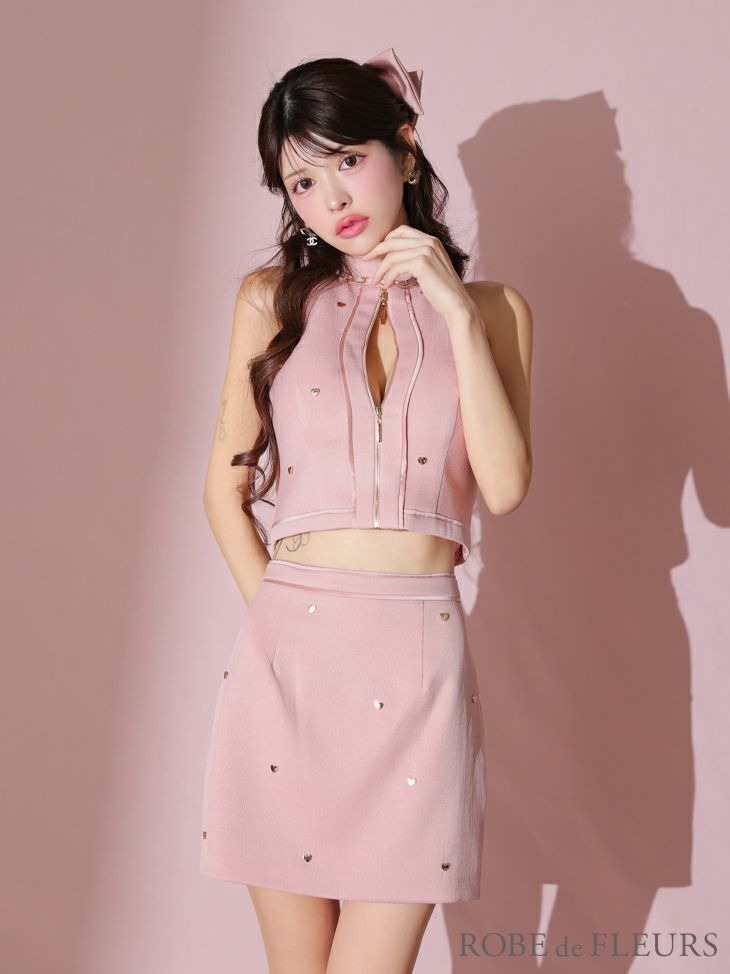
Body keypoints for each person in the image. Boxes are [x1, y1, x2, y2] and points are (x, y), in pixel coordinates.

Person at [199, 47, 533, 974]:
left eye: (348, 159)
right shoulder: (270, 301)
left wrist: (455, 312)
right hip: (287, 667)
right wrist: (281, 626)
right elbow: (222, 492)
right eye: (302, 182)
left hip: (420, 664)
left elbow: (505, 487)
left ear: (405, 149)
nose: (331, 197)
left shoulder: (495, 310)